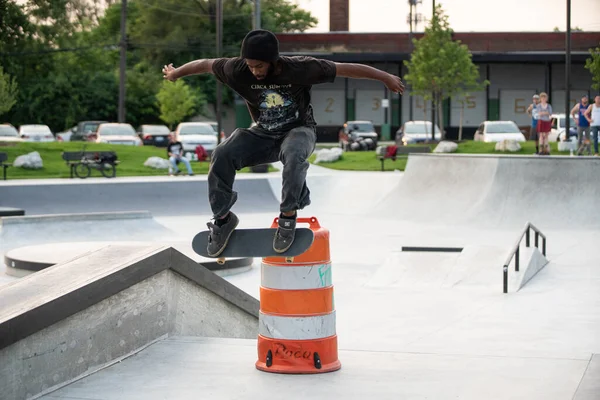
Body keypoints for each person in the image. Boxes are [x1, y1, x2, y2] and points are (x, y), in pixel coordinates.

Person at [162, 29, 404, 256]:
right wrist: (176, 73)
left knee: (294, 152)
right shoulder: (236, 69)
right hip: (263, 134)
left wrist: (384, 77)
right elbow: (205, 64)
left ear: (273, 61)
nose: (254, 71)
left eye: (259, 66)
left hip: (299, 130)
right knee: (223, 153)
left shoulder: (301, 67)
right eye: (250, 66)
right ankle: (223, 219)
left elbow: (344, 68)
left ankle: (287, 216)